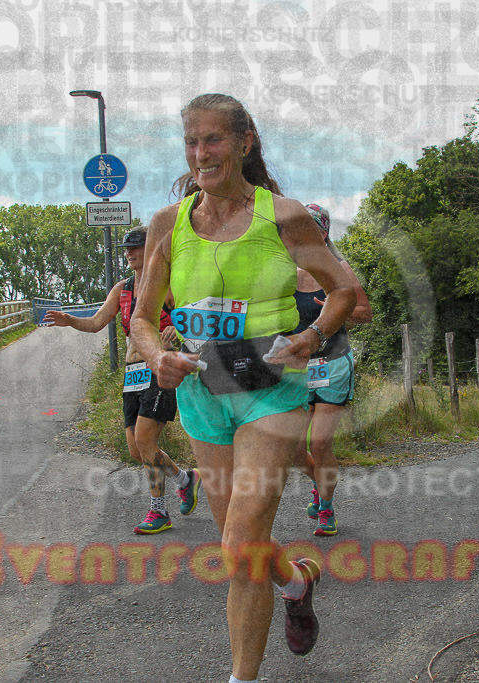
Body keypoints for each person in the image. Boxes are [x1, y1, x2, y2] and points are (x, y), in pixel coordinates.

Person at [130, 93, 356, 683]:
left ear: (244, 142)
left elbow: (344, 293)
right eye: (191, 142)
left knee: (235, 545)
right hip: (203, 393)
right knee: (248, 548)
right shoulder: (167, 225)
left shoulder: (282, 216)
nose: (201, 153)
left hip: (269, 389)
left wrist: (309, 338)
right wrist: (158, 356)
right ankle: (295, 581)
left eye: (214, 140)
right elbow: (143, 317)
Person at [43, 227, 201, 534]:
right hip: (132, 375)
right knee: (136, 449)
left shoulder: (169, 286)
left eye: (136, 247)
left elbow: (194, 318)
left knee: (145, 440)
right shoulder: (123, 289)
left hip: (159, 370)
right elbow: (96, 322)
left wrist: (178, 332)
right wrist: (69, 320)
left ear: (153, 249)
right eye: (126, 248)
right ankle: (186, 479)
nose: (129, 253)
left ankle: (158, 511)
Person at [291, 203, 371, 536]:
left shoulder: (340, 269)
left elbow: (365, 313)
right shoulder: (283, 272)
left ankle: (326, 507)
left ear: (322, 232)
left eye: (309, 228)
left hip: (334, 363)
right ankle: (320, 482)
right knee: (295, 450)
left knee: (319, 444)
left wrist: (337, 312)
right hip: (296, 371)